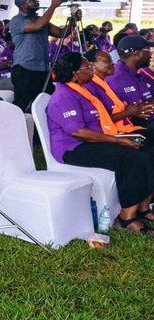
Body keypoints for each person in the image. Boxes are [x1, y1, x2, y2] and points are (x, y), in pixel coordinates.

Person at [47, 53, 154, 232]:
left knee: (148, 150)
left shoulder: (82, 90)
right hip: (74, 148)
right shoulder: (64, 96)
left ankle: (143, 208)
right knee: (133, 158)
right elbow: (78, 132)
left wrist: (119, 137)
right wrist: (118, 141)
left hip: (95, 139)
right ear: (75, 73)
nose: (91, 69)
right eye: (87, 67)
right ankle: (126, 218)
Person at [8, 0, 72, 111]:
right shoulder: (16, 20)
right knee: (21, 105)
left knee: (47, 104)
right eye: (32, 0)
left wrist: (73, 20)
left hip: (42, 69)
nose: (37, 2)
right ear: (23, 5)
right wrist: (53, 5)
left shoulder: (40, 19)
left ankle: (38, 124)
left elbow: (60, 33)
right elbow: (38, 26)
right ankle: (13, 123)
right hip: (24, 69)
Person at [106, 35, 154, 106]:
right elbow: (140, 109)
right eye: (148, 51)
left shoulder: (136, 73)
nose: (150, 56)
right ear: (138, 53)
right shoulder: (119, 78)